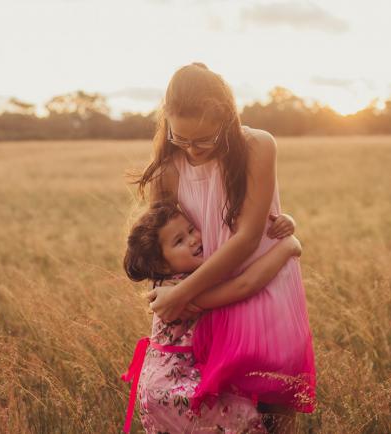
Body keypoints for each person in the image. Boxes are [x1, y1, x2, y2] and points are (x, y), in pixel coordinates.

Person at [134, 62, 316, 415]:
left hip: (260, 282)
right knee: (219, 412)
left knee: (269, 404)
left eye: (204, 139)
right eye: (180, 138)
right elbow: (162, 246)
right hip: (203, 300)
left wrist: (185, 295)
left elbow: (247, 238)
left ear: (227, 118)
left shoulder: (257, 146)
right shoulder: (170, 168)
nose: (193, 150)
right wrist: (174, 295)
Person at [121, 200, 302, 433]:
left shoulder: (171, 281)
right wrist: (288, 246)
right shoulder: (182, 289)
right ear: (161, 264)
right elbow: (243, 284)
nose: (193, 239)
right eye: (179, 241)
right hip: (175, 386)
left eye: (190, 230)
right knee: (243, 420)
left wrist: (283, 224)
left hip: (157, 385)